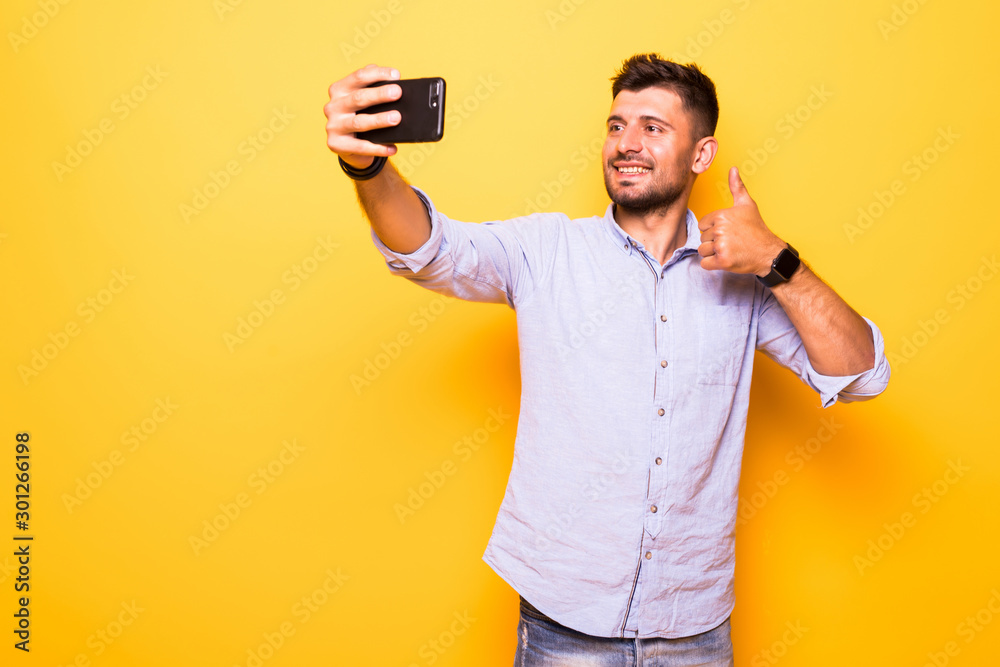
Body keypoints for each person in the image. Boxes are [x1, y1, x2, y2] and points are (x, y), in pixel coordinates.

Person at [324, 54, 890, 666]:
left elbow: (861, 374)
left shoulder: (745, 275)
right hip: (564, 620)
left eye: (653, 127)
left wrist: (778, 261)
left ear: (702, 155)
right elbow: (431, 249)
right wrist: (369, 166)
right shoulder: (547, 251)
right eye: (617, 126)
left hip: (692, 628)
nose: (626, 143)